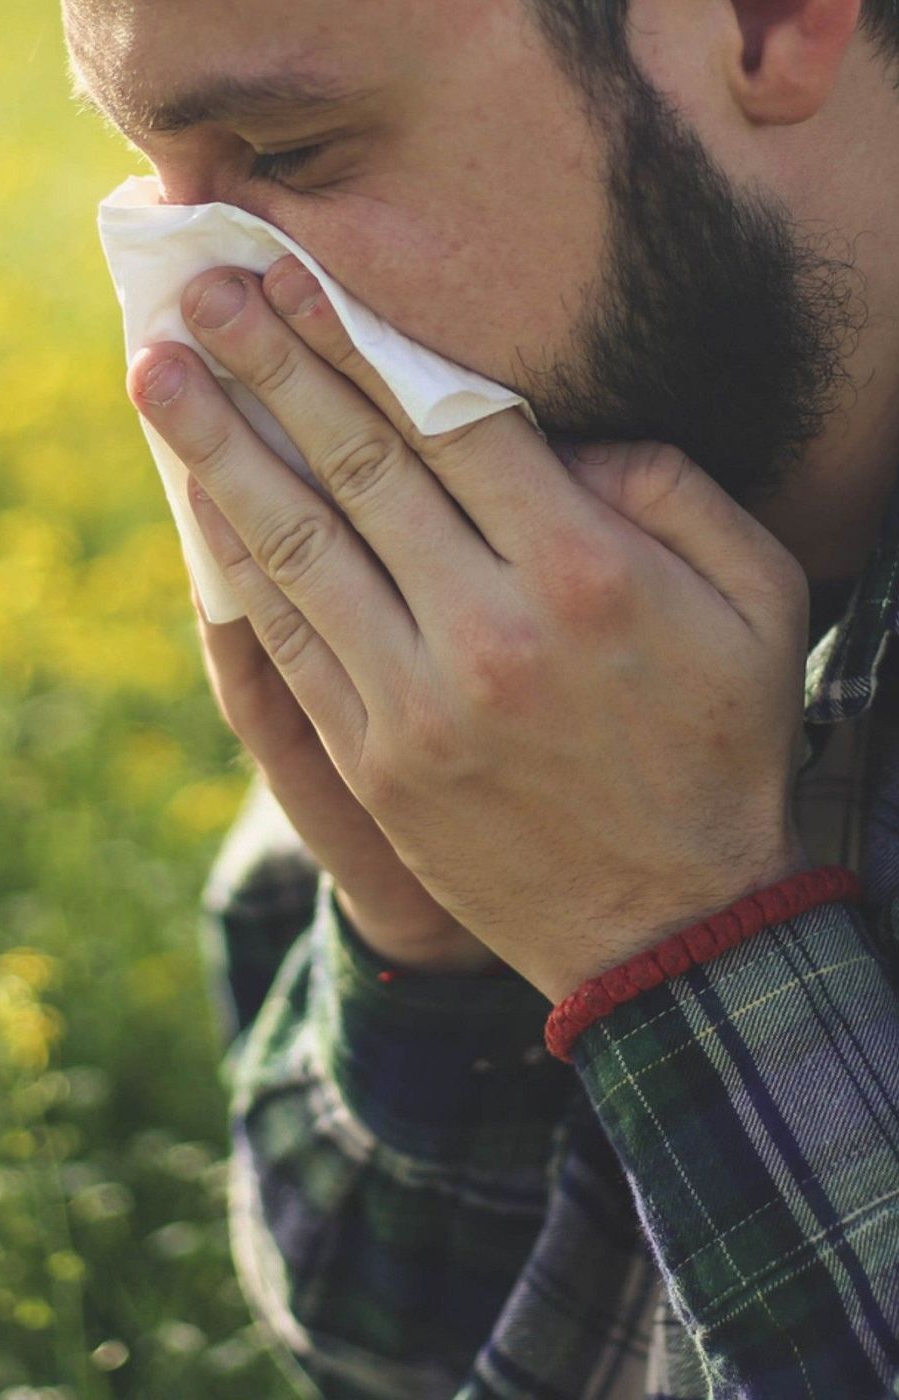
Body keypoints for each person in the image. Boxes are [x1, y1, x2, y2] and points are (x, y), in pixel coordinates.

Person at [65, 1, 899, 1395]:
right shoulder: (527, 598)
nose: (192, 312)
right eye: (156, 178)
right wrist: (430, 941)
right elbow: (382, 1343)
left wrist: (684, 935)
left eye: (295, 149)